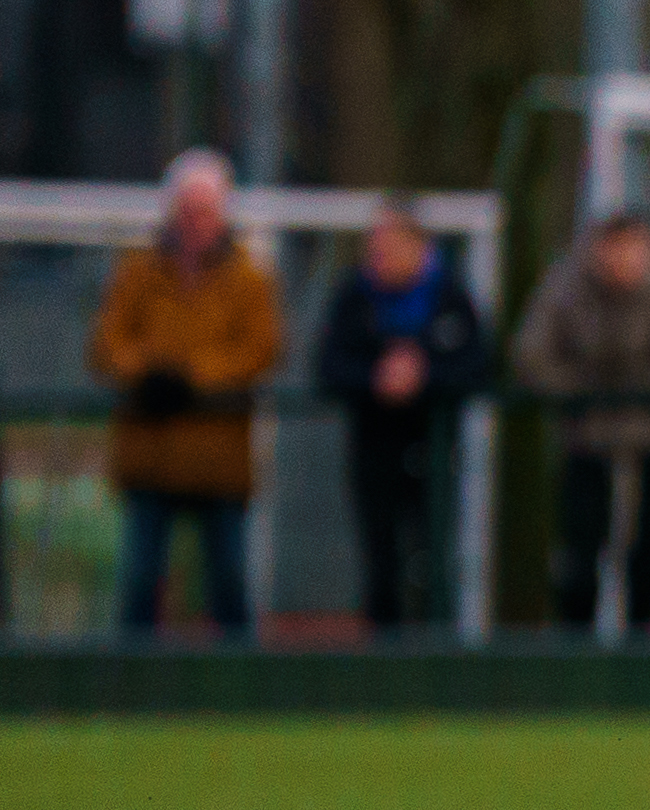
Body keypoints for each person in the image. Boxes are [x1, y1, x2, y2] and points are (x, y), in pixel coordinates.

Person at [89, 150, 283, 640]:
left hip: (218, 457)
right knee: (139, 577)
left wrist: (193, 378)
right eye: (187, 209)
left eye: (205, 210)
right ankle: (130, 689)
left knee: (229, 580)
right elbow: (107, 343)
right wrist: (147, 373)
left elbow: (260, 348)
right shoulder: (137, 272)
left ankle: (239, 692)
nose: (195, 222)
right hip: (150, 453)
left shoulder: (249, 279)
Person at [511, 211, 650, 638]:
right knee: (578, 563)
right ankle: (575, 667)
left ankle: (640, 668)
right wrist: (584, 388)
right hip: (586, 446)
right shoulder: (565, 289)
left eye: (632, 249)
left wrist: (637, 386)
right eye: (613, 248)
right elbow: (530, 357)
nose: (622, 260)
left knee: (647, 561)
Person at [307, 199, 495, 637]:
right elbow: (328, 366)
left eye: (388, 245)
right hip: (374, 449)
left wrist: (424, 376)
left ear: (417, 247)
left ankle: (438, 655)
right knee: (381, 559)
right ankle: (382, 665)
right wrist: (375, 378)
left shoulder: (450, 296)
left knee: (434, 559)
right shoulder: (354, 296)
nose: (378, 255)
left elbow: (479, 364)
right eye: (374, 246)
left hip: (435, 450)